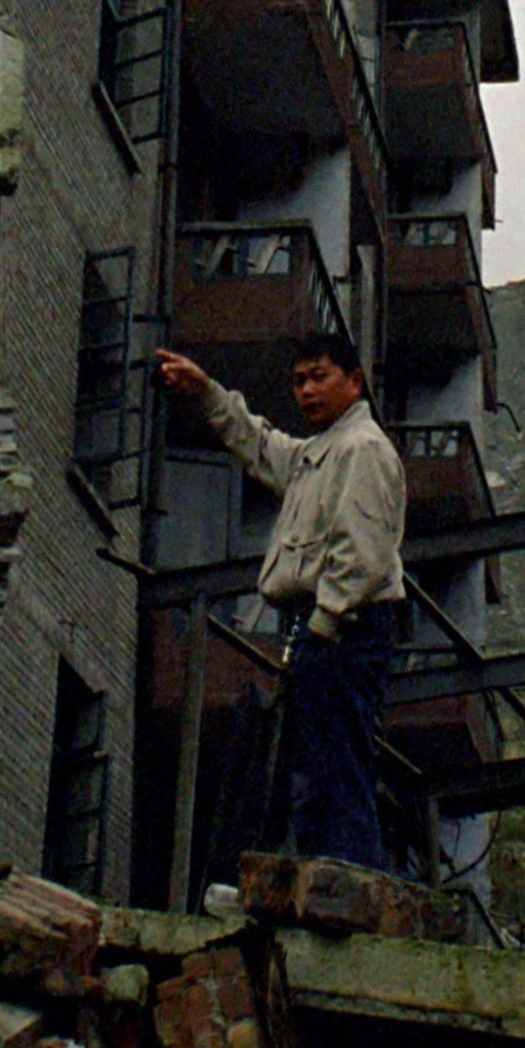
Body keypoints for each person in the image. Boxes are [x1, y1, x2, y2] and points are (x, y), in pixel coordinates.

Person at [153, 329, 407, 868]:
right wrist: (207, 392)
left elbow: (361, 558)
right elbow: (262, 444)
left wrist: (324, 626)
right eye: (298, 381)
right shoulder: (321, 453)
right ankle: (326, 877)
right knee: (313, 766)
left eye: (320, 376)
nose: (307, 391)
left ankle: (347, 880)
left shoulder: (362, 451)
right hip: (323, 627)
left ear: (354, 381)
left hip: (345, 629)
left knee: (336, 766)